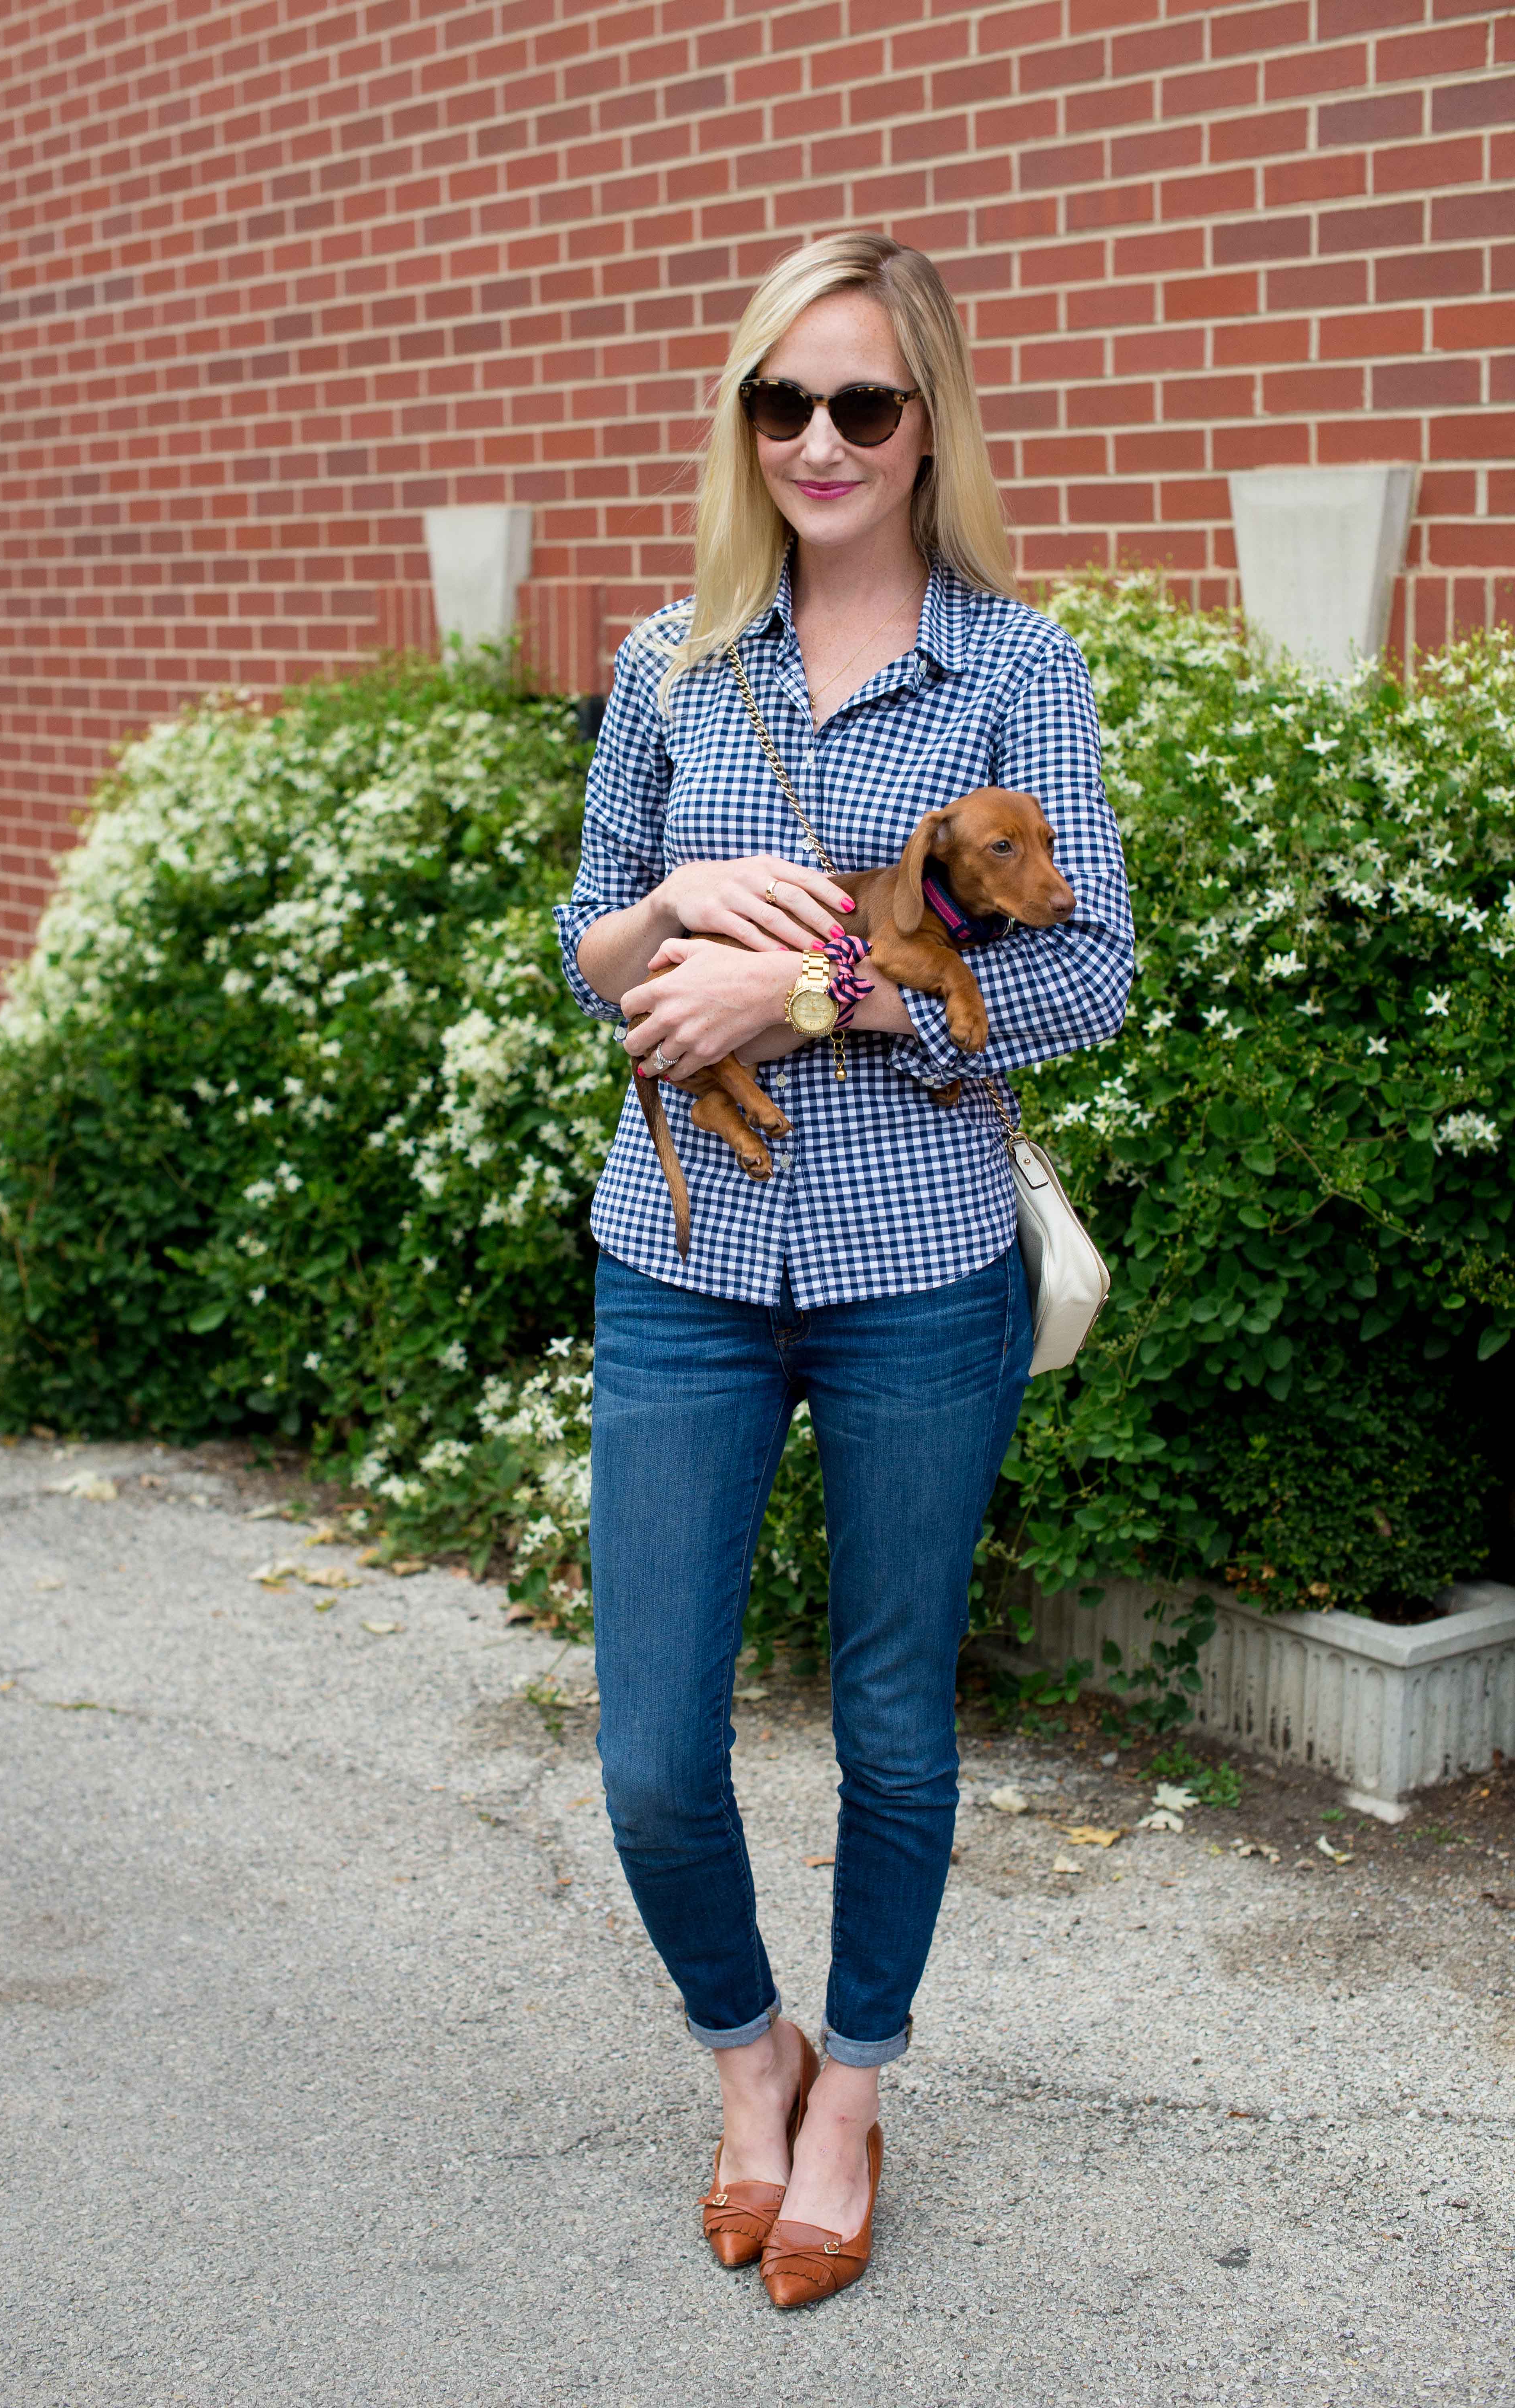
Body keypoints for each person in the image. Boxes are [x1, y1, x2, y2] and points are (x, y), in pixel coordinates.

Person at [553, 230, 1133, 2308]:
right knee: (646, 1748)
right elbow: (589, 941)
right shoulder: (668, 664)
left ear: (928, 422)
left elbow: (1086, 976)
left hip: (917, 1267)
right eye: (779, 401)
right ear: (745, 423)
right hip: (682, 1265)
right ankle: (749, 2063)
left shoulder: (1017, 669)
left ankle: (857, 2089)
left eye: (861, 403)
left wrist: (809, 995)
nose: (817, 439)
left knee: (892, 1722)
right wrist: (673, 906)